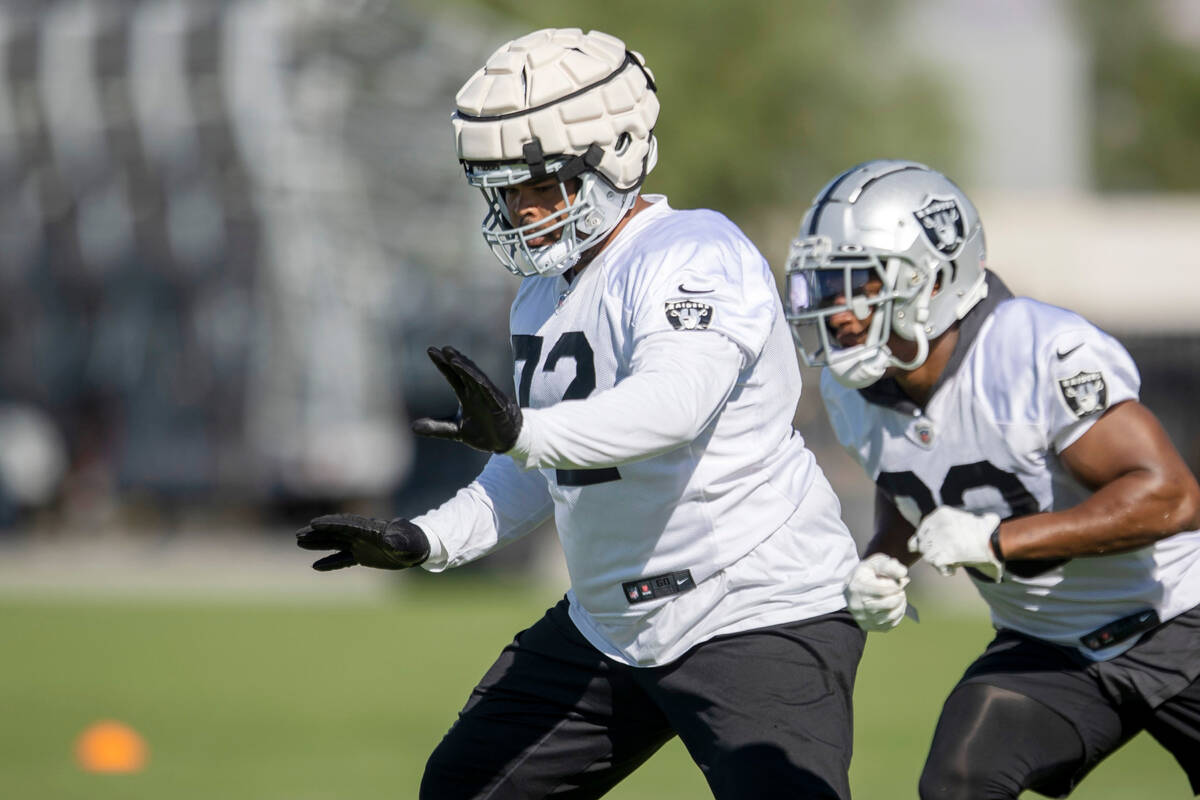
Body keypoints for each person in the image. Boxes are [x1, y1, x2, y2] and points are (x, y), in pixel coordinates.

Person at [296, 28, 865, 800]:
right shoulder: (544, 291)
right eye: (504, 190)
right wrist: (423, 539)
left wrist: (527, 431)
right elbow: (546, 472)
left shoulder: (695, 252)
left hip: (754, 607)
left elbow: (673, 405)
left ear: (618, 152)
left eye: (542, 184)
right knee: (462, 789)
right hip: (611, 625)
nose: (520, 210)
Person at [783, 158, 1200, 799]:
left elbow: (1170, 497)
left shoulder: (1038, 352)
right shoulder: (854, 389)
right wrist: (885, 557)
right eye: (825, 289)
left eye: (858, 285)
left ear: (934, 278)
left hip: (1178, 617)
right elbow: (909, 478)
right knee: (960, 782)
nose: (838, 314)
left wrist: (999, 542)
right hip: (1051, 647)